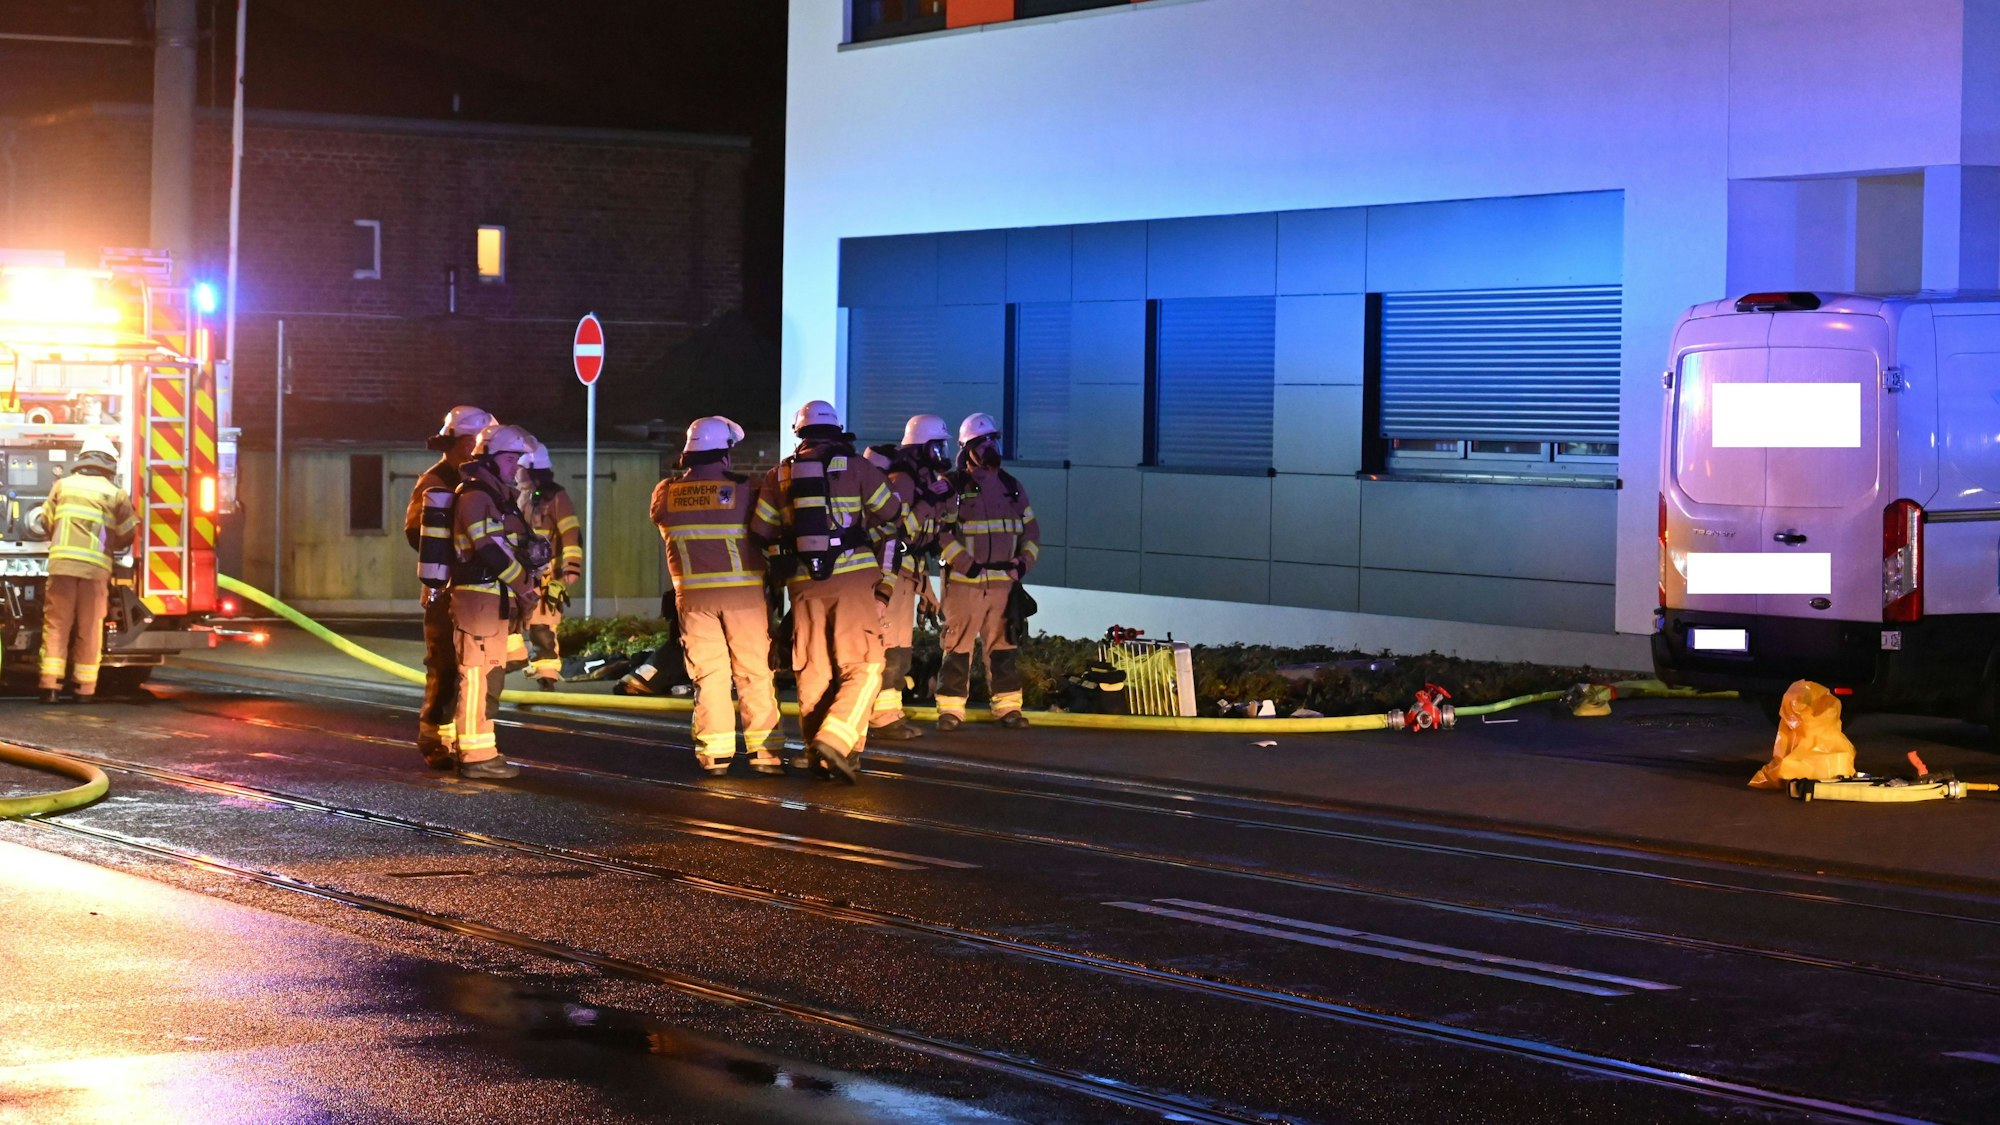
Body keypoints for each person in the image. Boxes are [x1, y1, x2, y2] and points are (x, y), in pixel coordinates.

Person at [748, 401, 901, 783]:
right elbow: (891, 512)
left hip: (803, 586)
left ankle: (819, 752)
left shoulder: (779, 474)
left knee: (814, 668)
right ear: (836, 430)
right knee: (865, 667)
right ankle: (836, 740)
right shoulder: (859, 467)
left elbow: (761, 532)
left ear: (798, 433)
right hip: (852, 582)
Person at [651, 416, 784, 776]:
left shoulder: (665, 493)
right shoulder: (746, 489)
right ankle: (766, 756)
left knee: (708, 677)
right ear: (725, 454)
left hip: (692, 601)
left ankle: (715, 757)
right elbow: (767, 532)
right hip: (744, 598)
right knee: (754, 673)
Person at [447, 423, 545, 780]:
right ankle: (475, 757)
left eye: (518, 458)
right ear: (489, 458)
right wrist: (524, 586)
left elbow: (513, 545)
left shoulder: (496, 496)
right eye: (510, 457)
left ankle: (482, 750)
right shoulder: (475, 496)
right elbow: (488, 548)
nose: (516, 465)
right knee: (477, 679)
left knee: (490, 676)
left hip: (493, 601)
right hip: (479, 601)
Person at [934, 412, 1039, 731]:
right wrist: (965, 563)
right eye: (983, 442)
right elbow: (939, 532)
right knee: (957, 647)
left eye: (993, 439)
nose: (990, 446)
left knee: (1004, 648)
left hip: (1004, 586)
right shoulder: (950, 486)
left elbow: (1031, 532)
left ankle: (1008, 708)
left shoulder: (1012, 486)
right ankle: (950, 711)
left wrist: (1023, 564)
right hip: (964, 583)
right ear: (967, 449)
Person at [404, 404, 493, 768]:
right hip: (447, 587)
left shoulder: (475, 481)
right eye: (481, 442)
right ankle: (434, 740)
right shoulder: (436, 480)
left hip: (475, 590)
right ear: (467, 441)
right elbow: (415, 533)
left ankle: (462, 738)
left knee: (471, 666)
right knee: (443, 663)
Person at [863, 414, 955, 741]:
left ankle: (889, 711)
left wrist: (926, 588)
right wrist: (927, 502)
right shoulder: (902, 481)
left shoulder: (923, 480)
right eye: (937, 445)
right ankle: (882, 717)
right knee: (890, 646)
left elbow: (923, 543)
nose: (942, 451)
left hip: (907, 573)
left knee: (900, 648)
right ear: (920, 447)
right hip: (891, 571)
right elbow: (898, 536)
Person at [31, 434, 137, 703]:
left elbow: (45, 521)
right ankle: (84, 691)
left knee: (56, 626)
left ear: (83, 459)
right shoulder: (116, 494)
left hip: (62, 568)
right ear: (109, 463)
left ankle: (50, 687)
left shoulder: (63, 486)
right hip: (94, 571)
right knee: (89, 629)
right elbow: (128, 534)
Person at [516, 438, 583, 691]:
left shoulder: (557, 497)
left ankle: (547, 676)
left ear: (532, 471)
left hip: (547, 575)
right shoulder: (518, 497)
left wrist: (572, 566)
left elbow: (570, 532)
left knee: (543, 625)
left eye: (519, 468)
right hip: (518, 574)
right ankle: (509, 664)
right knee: (513, 622)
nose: (515, 472)